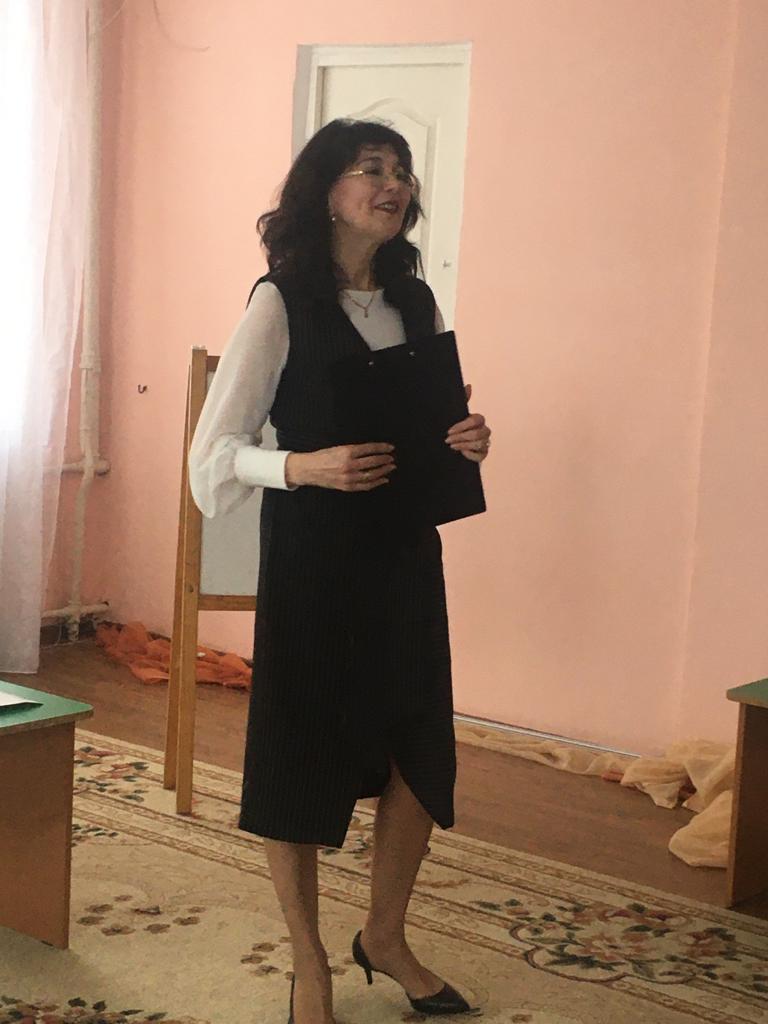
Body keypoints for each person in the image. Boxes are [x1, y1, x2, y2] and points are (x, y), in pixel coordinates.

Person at [188, 118, 492, 1024]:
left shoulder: (416, 303)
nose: (393, 184)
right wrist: (302, 465)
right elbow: (211, 463)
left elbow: (429, 428)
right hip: (316, 561)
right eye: (372, 169)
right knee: (301, 756)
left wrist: (467, 440)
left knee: (417, 754)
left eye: (402, 171)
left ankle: (385, 937)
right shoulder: (279, 302)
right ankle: (309, 964)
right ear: (326, 191)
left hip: (404, 556)